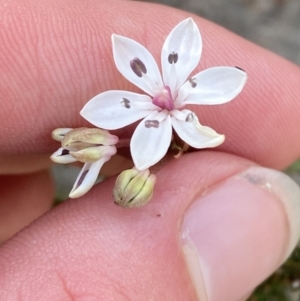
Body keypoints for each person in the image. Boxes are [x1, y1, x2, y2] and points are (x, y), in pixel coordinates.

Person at [0, 0, 300, 300]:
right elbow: (142, 155)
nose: (162, 96)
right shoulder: (137, 142)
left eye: (163, 97)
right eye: (160, 97)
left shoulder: (194, 102)